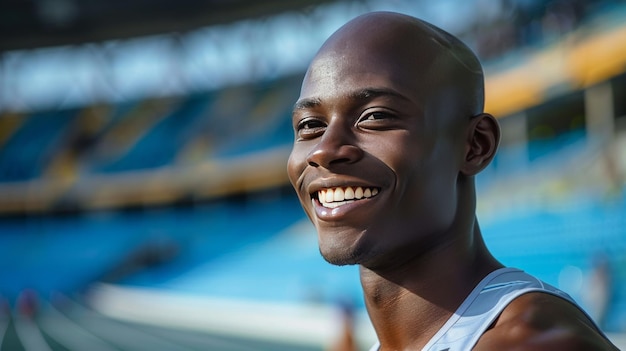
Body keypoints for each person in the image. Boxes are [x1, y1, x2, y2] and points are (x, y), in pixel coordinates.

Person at [287, 11, 618, 351]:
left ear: (476, 145)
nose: (324, 150)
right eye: (309, 125)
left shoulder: (531, 343)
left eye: (376, 116)